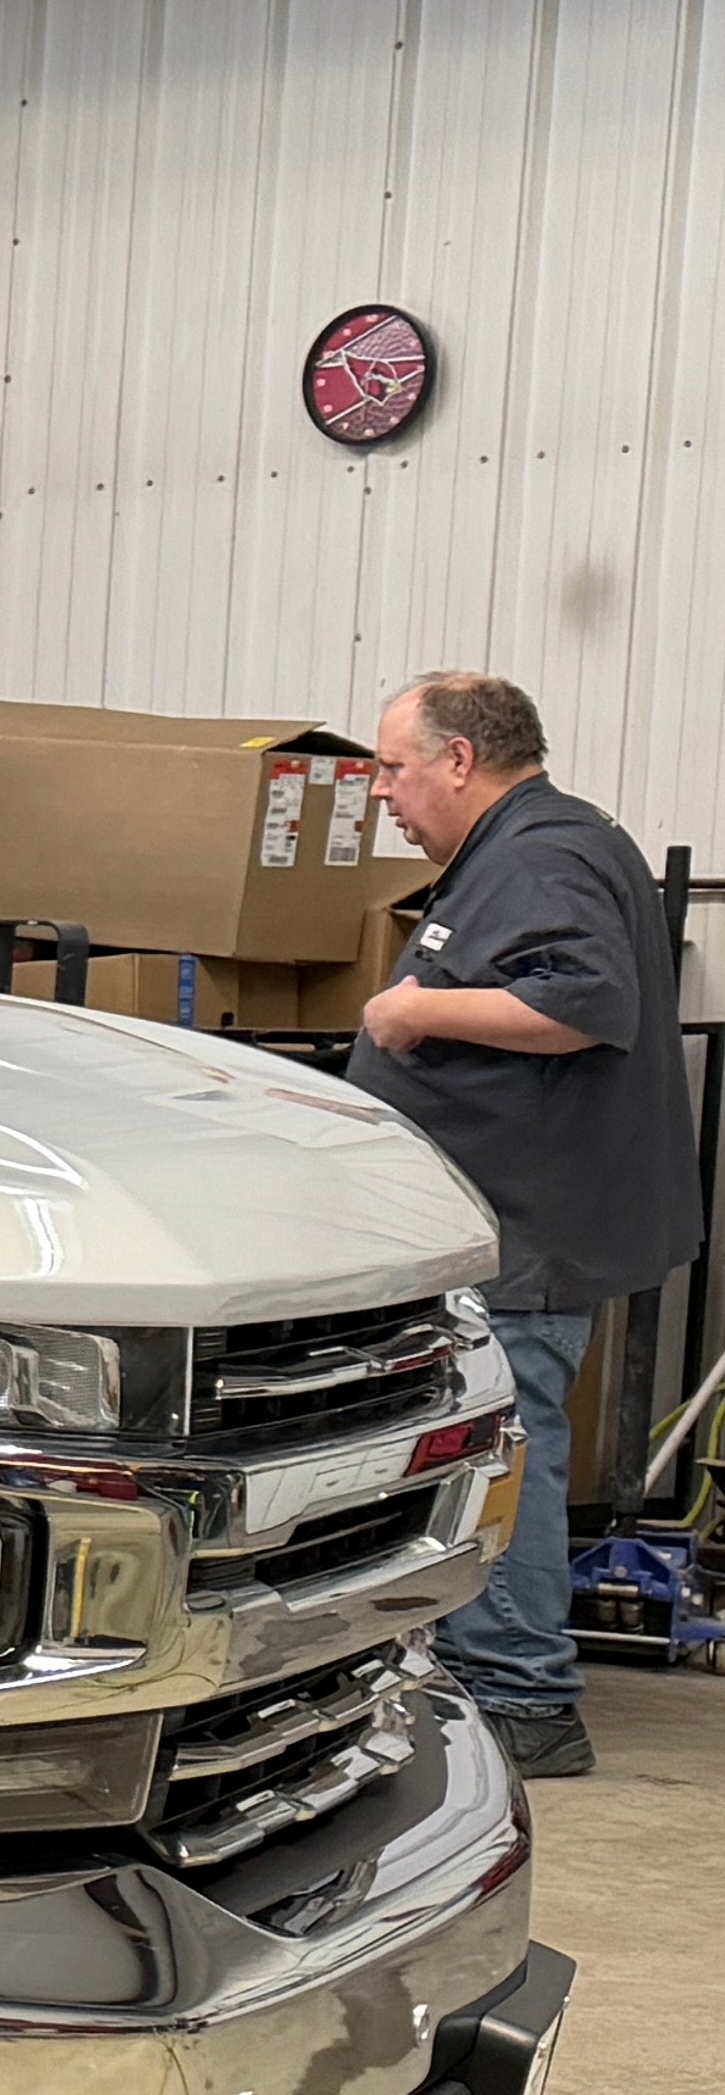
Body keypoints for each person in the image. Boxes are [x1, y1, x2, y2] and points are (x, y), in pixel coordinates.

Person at [349, 672, 700, 1778]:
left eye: (395, 769)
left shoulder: (543, 852)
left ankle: (520, 1699)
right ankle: (492, 1679)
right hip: (512, 1222)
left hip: (526, 1230)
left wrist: (412, 1009)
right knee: (496, 1448)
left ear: (459, 760)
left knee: (502, 1454)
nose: (384, 796)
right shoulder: (529, 845)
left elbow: (580, 1003)